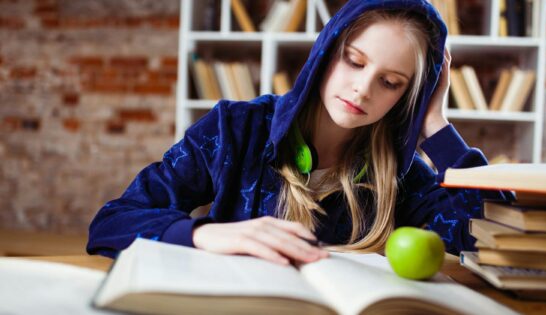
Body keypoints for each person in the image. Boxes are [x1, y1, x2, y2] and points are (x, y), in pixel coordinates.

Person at [87, 0, 508, 265]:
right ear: (325, 55)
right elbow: (112, 222)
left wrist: (436, 126)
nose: (363, 88)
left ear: (407, 99)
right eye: (354, 62)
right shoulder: (236, 129)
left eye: (391, 82)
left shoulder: (400, 175)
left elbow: (502, 239)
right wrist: (208, 233)